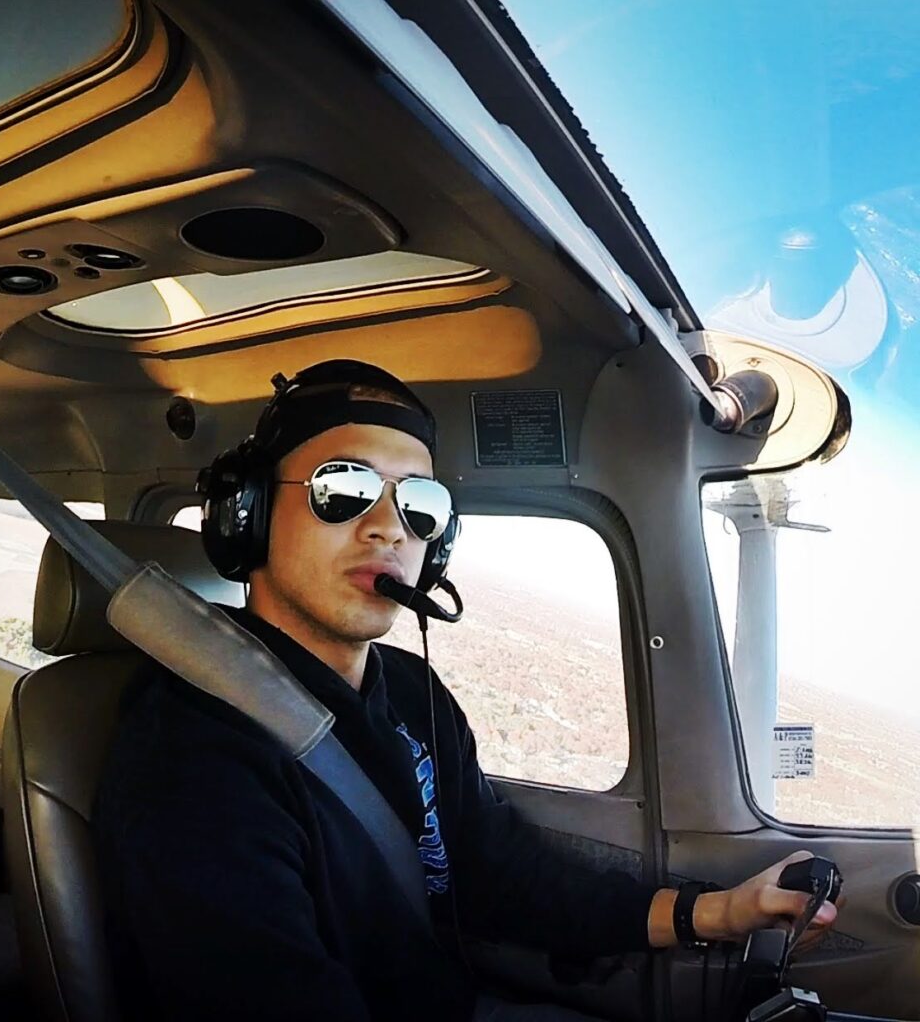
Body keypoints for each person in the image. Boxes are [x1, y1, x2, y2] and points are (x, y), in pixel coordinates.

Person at [93, 360, 839, 1022]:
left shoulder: (409, 689)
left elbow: (497, 873)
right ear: (249, 512)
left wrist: (719, 912)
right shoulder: (191, 751)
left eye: (418, 505)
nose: (389, 529)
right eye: (342, 488)